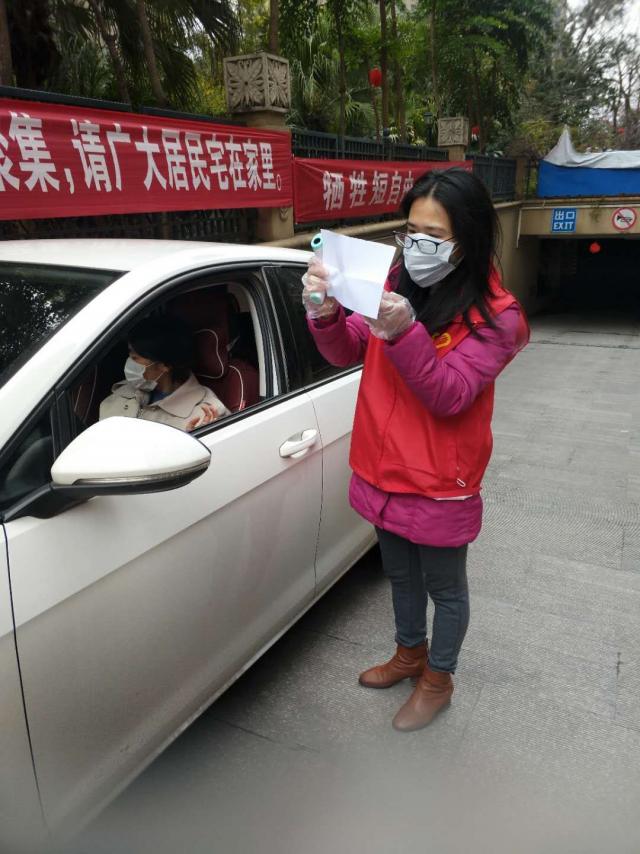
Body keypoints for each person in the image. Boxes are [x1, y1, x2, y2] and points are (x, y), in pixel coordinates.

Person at [302, 167, 529, 732]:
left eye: (434, 234)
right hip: (381, 467)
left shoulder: (498, 317)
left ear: (467, 239)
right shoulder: (397, 278)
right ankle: (409, 654)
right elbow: (348, 348)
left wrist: (405, 332)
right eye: (411, 230)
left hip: (438, 480)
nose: (417, 246)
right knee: (400, 576)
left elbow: (448, 395)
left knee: (445, 589)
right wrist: (325, 314)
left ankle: (438, 679)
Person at [99, 315, 230, 431]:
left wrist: (192, 439)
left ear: (165, 365)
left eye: (135, 358)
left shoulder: (206, 415)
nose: (129, 362)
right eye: (130, 354)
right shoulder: (126, 391)